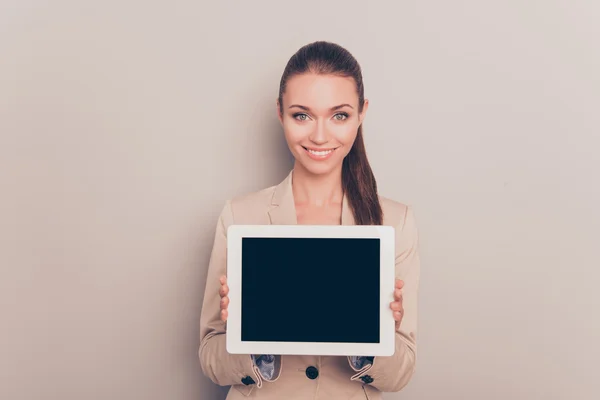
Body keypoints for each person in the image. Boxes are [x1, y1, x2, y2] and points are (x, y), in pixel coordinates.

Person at [198, 41, 420, 400]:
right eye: (302, 115)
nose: (319, 135)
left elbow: (401, 370)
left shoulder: (394, 222)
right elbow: (210, 356)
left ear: (362, 113)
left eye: (339, 115)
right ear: (280, 112)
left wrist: (370, 334)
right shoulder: (242, 216)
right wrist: (249, 333)